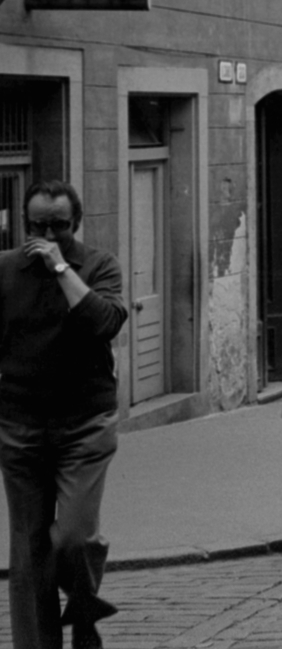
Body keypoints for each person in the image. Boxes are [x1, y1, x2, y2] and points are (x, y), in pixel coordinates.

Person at [0, 181, 128, 649]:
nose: (47, 233)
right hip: (19, 427)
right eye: (37, 225)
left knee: (73, 536)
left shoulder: (97, 266)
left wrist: (60, 268)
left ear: (75, 224)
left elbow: (105, 323)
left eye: (57, 225)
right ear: (24, 223)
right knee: (29, 550)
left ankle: (83, 608)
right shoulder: (5, 270)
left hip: (85, 426)